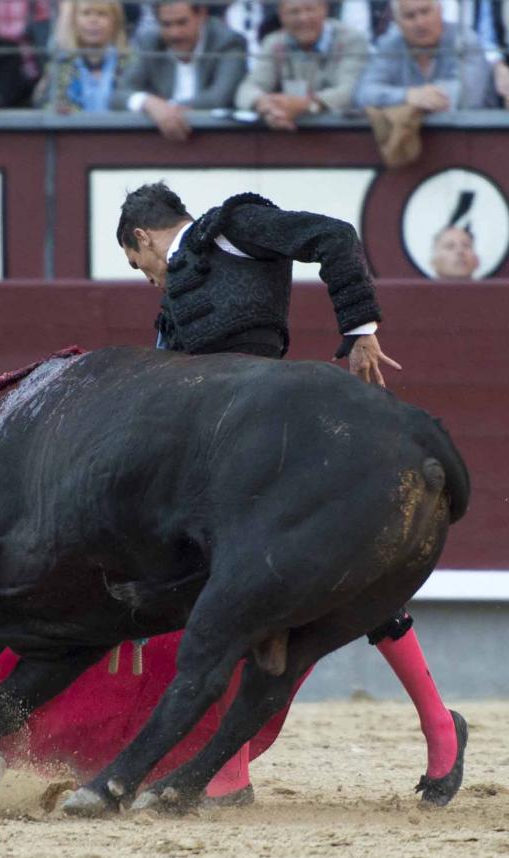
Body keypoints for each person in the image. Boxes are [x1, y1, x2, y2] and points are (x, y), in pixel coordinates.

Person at [116, 181, 468, 806]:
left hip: (267, 436)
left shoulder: (235, 227)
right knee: (226, 597)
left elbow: (334, 235)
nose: (146, 277)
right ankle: (232, 772)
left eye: (136, 262)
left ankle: (439, 726)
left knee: (340, 577)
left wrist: (359, 329)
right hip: (212, 455)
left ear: (143, 236)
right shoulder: (171, 312)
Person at [110, 0, 247, 142]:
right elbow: (119, 96)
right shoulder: (149, 43)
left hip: (217, 140)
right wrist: (150, 103)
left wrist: (168, 110)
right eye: (166, 24)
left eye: (182, 23)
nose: (174, 33)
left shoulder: (228, 42)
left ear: (201, 15)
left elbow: (219, 98)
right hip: (158, 142)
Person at [235, 0, 369, 130]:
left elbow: (350, 92)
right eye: (294, 12)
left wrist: (308, 105)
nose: (303, 18)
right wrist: (264, 105)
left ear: (324, 9)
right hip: (285, 130)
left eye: (309, 10)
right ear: (281, 16)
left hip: (337, 133)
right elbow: (248, 89)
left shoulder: (351, 40)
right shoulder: (274, 42)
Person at [353, 0, 497, 112]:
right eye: (410, 16)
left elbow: (469, 97)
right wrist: (408, 95)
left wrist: (416, 100)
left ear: (440, 11)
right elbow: (363, 94)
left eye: (425, 12)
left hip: (468, 136)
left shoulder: (464, 39)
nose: (420, 23)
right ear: (397, 22)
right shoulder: (389, 44)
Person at [35, 0, 128, 112]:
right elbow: (42, 101)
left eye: (102, 14)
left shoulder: (129, 62)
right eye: (86, 13)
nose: (93, 20)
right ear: (74, 21)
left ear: (115, 22)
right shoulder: (62, 62)